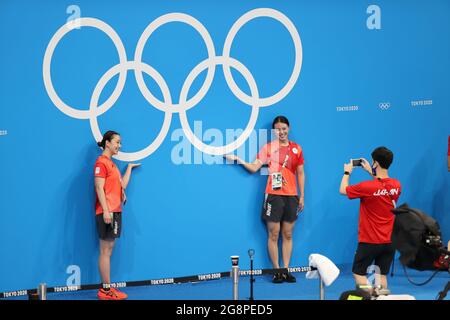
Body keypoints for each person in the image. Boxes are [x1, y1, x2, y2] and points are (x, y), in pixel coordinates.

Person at [225, 116, 305, 283]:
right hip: (273, 196)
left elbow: (300, 173)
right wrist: (238, 160)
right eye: (278, 129)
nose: (281, 132)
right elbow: (254, 167)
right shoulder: (268, 148)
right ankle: (277, 270)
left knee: (288, 234)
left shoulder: (297, 149)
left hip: (291, 196)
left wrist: (302, 196)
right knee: (274, 234)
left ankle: (285, 270)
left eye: (284, 128)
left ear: (288, 128)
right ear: (274, 131)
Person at [339, 146, 401, 295]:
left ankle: (369, 295)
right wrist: (370, 171)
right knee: (381, 275)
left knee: (359, 274)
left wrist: (347, 172)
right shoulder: (397, 185)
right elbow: (382, 185)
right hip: (389, 241)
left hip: (369, 240)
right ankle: (382, 296)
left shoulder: (366, 187)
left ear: (376, 163)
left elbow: (343, 189)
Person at [94, 130, 141, 300]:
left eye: (120, 143)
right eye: (117, 142)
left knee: (109, 249)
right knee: (105, 250)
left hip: (115, 211)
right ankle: (105, 290)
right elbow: (99, 187)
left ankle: (107, 288)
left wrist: (128, 169)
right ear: (107, 143)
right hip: (107, 212)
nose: (119, 146)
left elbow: (121, 185)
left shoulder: (112, 164)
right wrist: (106, 210)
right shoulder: (101, 163)